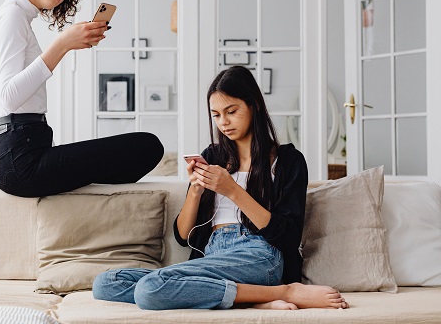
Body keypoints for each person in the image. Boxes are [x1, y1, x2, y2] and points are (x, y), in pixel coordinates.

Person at [92, 65, 349, 310]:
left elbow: (288, 236)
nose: (223, 122)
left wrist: (232, 189)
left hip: (259, 254)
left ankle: (286, 291)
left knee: (150, 289)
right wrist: (196, 189)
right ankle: (252, 298)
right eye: (216, 115)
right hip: (213, 251)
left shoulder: (288, 161)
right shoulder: (213, 156)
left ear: (255, 105)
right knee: (106, 284)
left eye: (231, 111)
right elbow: (183, 237)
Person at [0, 0, 163, 197]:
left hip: (10, 150)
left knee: (128, 156)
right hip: (17, 156)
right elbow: (9, 96)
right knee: (147, 146)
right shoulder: (11, 15)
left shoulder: (15, 16)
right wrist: (63, 44)